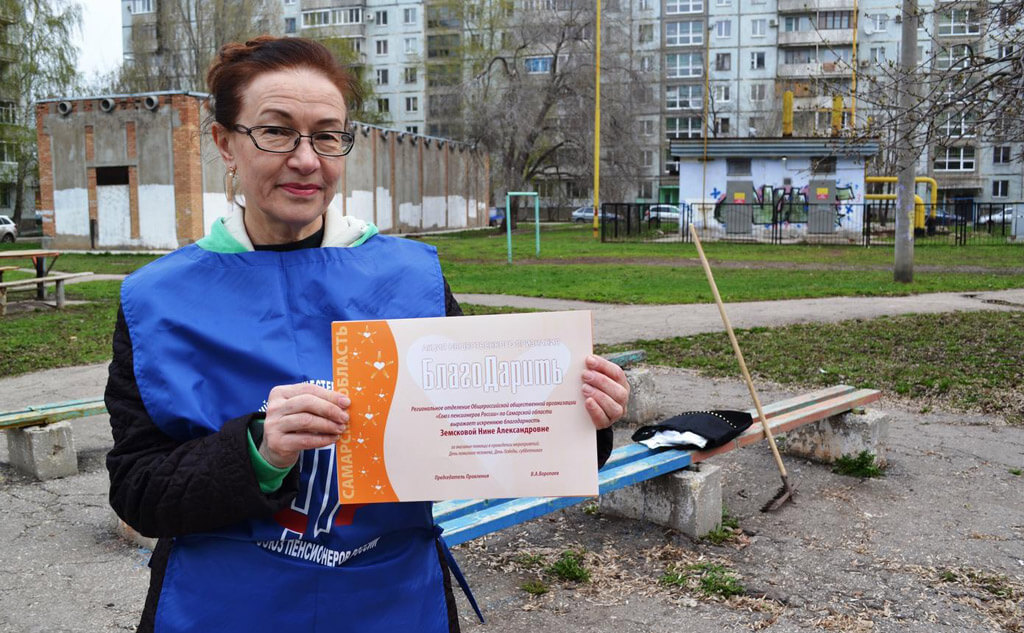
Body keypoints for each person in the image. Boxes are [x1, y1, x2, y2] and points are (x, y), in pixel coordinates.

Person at [105, 36, 630, 633]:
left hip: (392, 603)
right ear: (226, 143)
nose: (307, 159)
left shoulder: (409, 278)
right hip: (221, 608)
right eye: (276, 132)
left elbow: (482, 432)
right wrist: (258, 452)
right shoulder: (158, 300)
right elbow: (138, 489)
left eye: (328, 136)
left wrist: (582, 417)